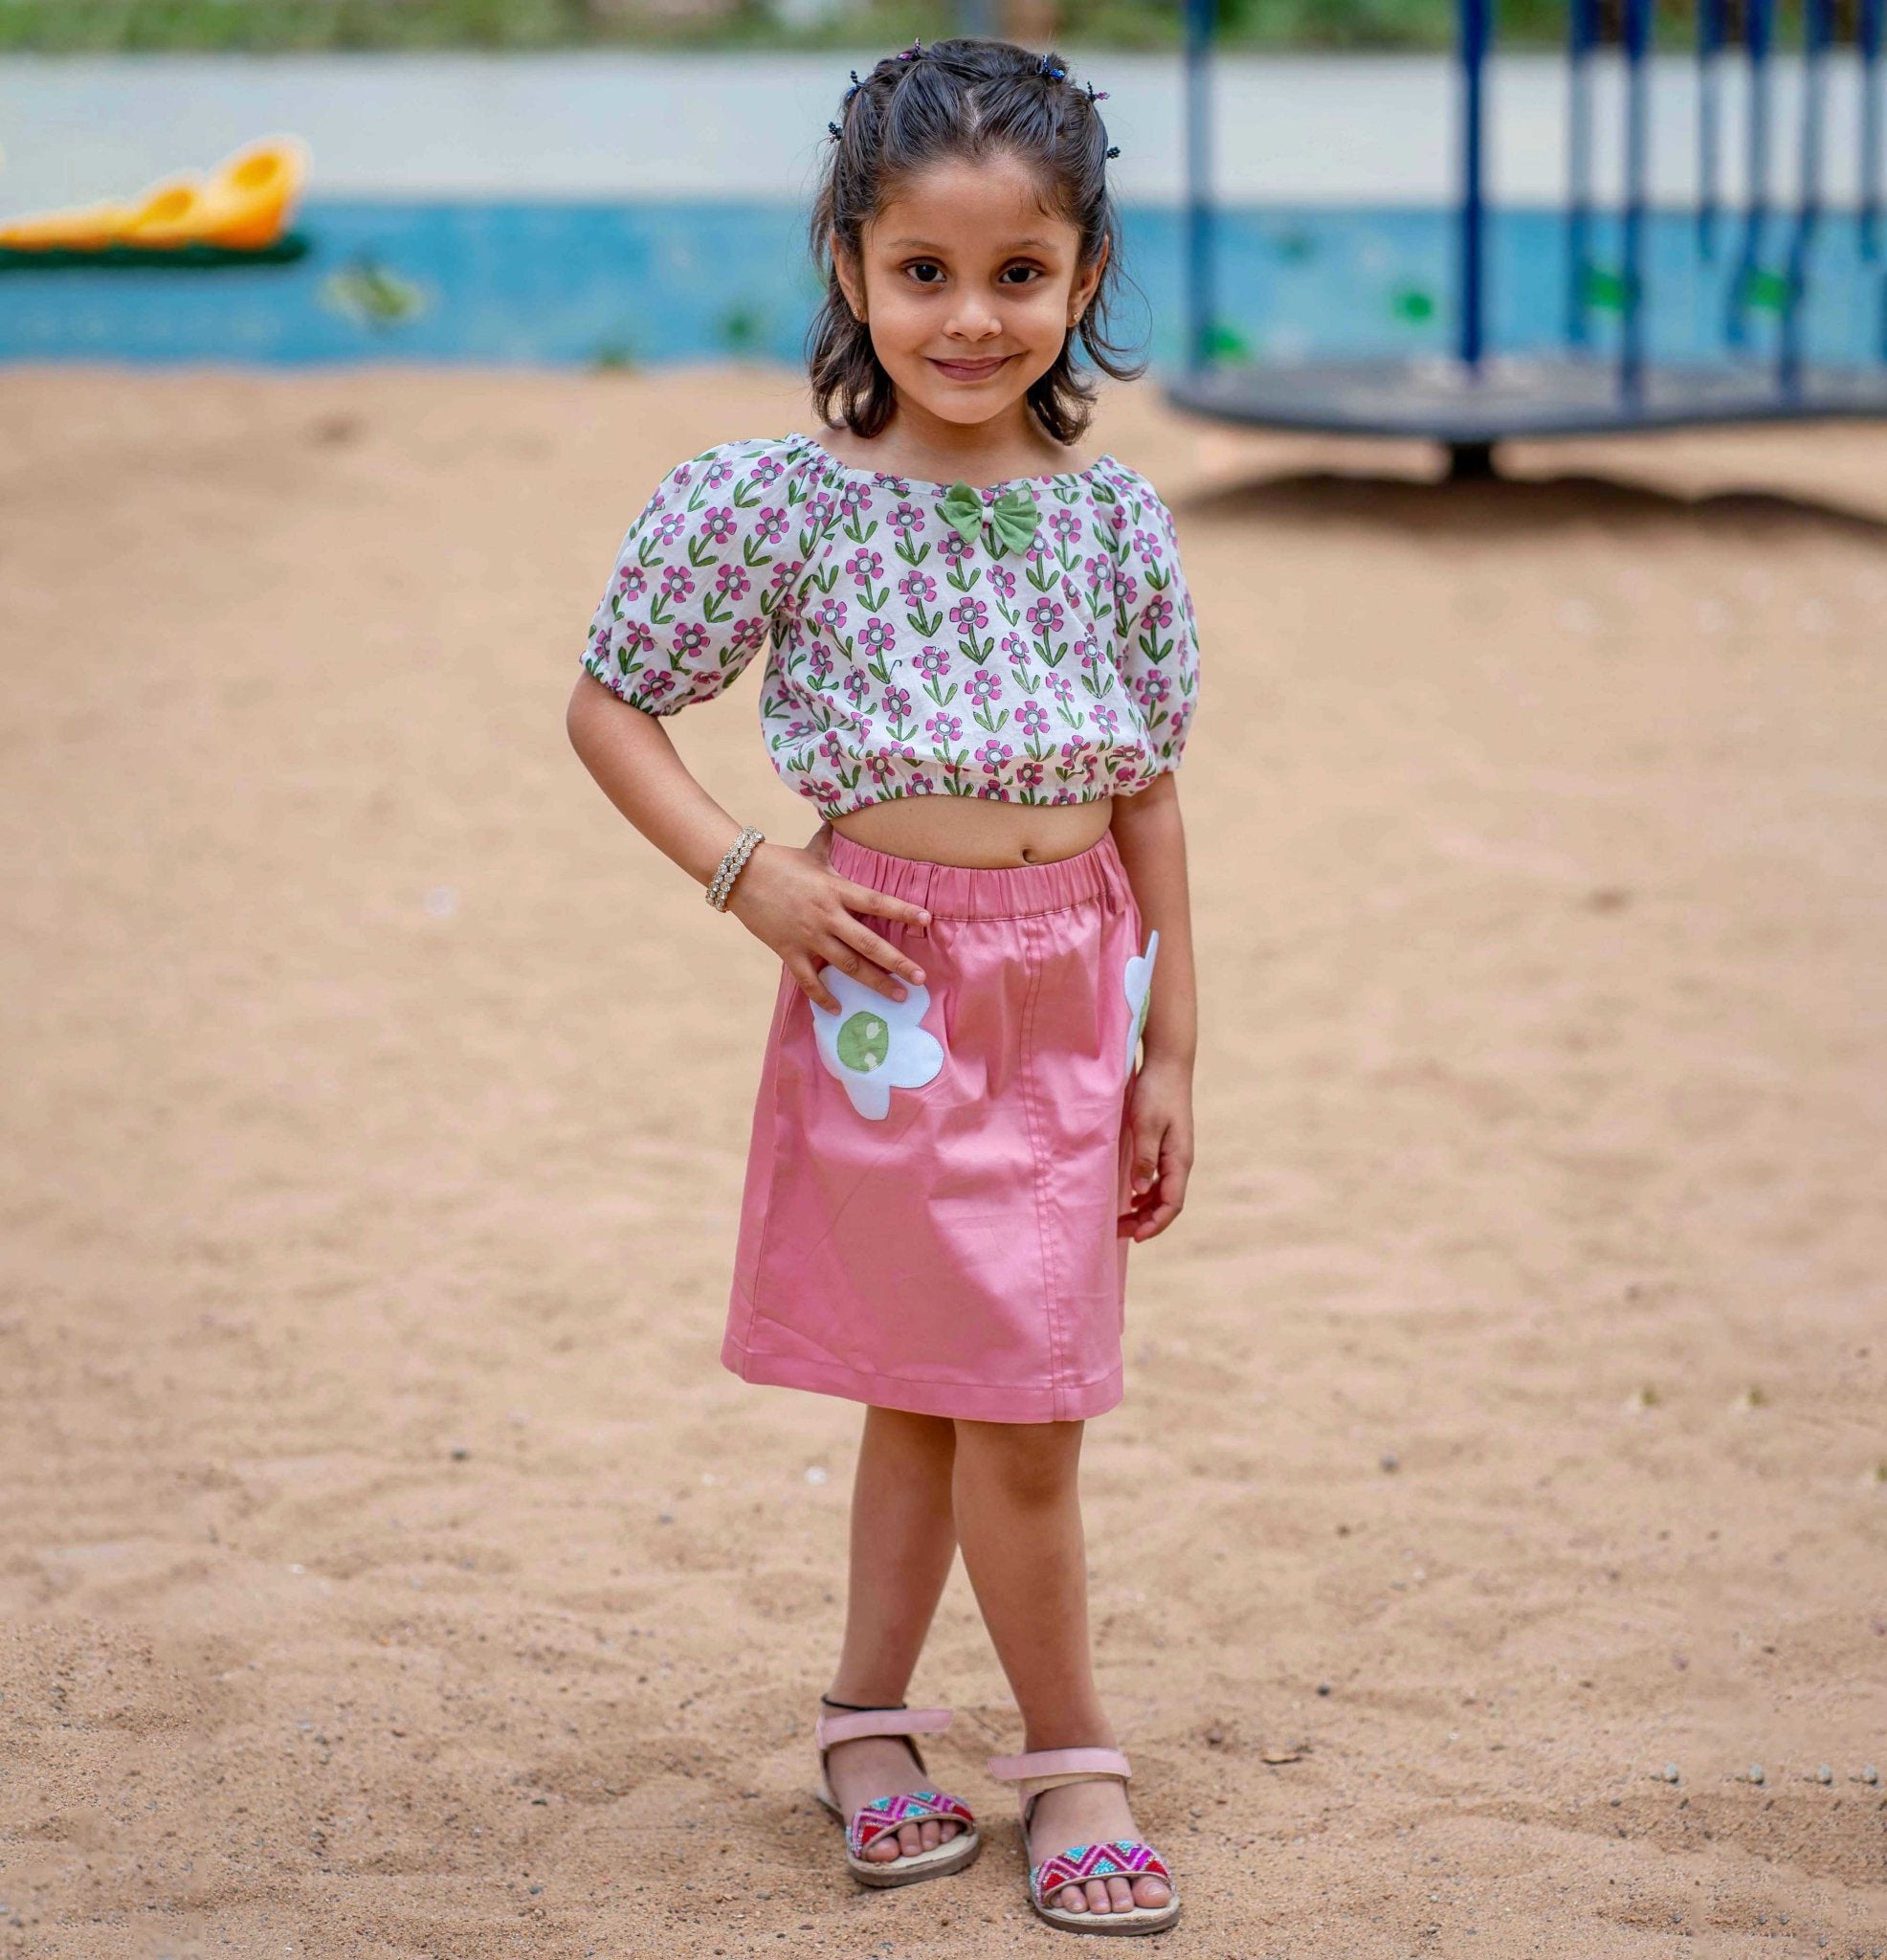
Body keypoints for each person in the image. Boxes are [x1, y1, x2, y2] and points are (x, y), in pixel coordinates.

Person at [566, 35, 1200, 1938]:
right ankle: (1069, 1754)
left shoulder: (1115, 525)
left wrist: (1175, 1041)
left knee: (980, 1392)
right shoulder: (776, 500)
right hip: (892, 998)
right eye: (922, 270)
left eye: (1017, 273)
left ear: (1082, 277)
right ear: (849, 265)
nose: (968, 315)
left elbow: (1150, 785)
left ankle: (867, 1718)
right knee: (974, 1396)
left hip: (1071, 989)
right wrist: (744, 870)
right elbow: (612, 704)